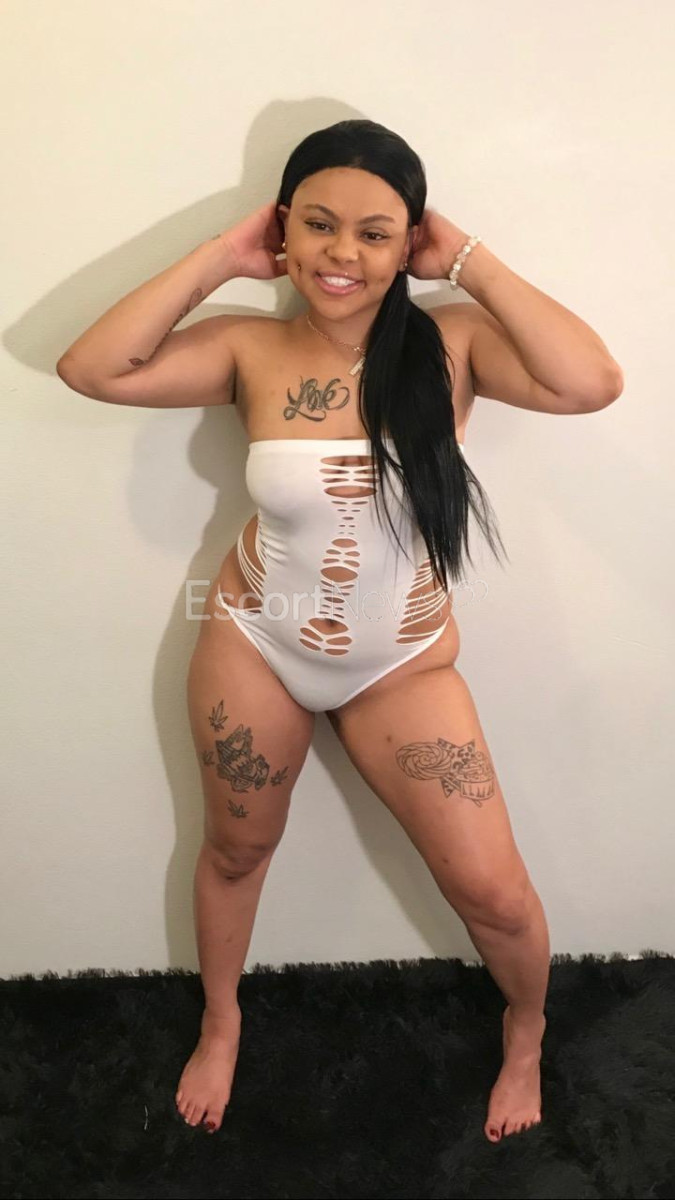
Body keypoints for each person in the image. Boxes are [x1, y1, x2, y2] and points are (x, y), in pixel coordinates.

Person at [56, 119, 623, 1143]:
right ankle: (222, 1020)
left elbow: (591, 383)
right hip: (256, 644)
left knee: (493, 894)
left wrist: (470, 261)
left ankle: (526, 1028)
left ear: (411, 241)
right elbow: (92, 368)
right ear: (282, 228)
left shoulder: (453, 341)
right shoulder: (251, 346)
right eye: (318, 225)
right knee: (237, 850)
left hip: (399, 668)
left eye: (374, 233)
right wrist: (219, 260)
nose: (342, 254)